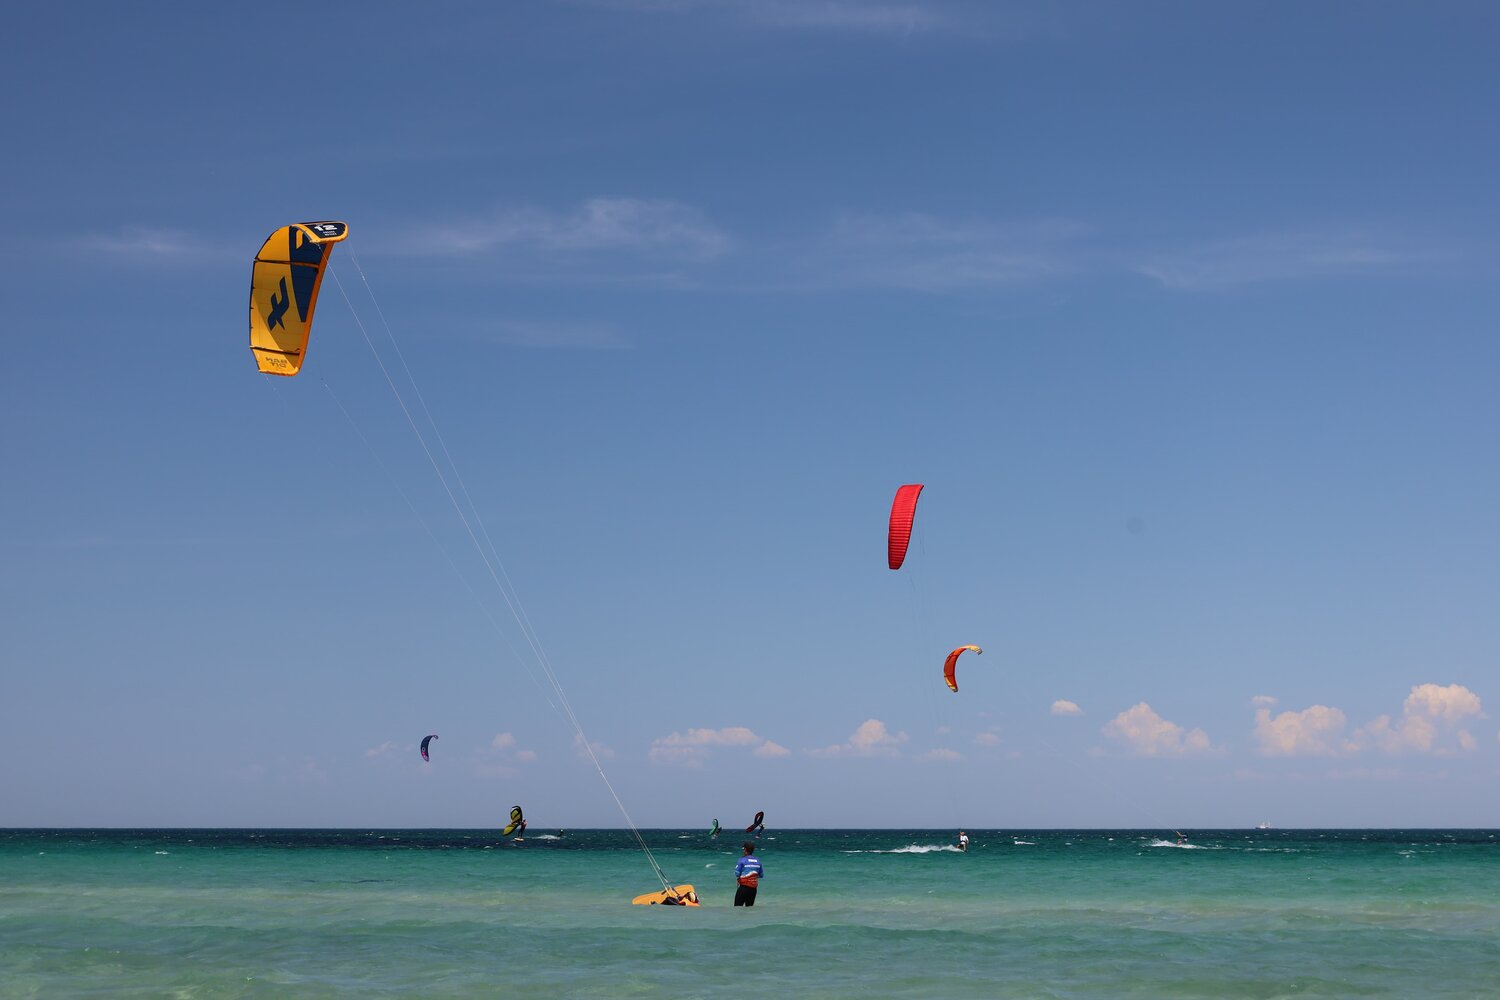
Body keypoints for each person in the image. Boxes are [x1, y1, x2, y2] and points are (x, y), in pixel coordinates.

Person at [733, 841, 763, 907]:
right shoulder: (758, 861)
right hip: (753, 890)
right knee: (749, 910)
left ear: (745, 849)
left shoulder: (742, 860)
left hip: (743, 888)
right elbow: (761, 875)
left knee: (737, 908)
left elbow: (737, 873)